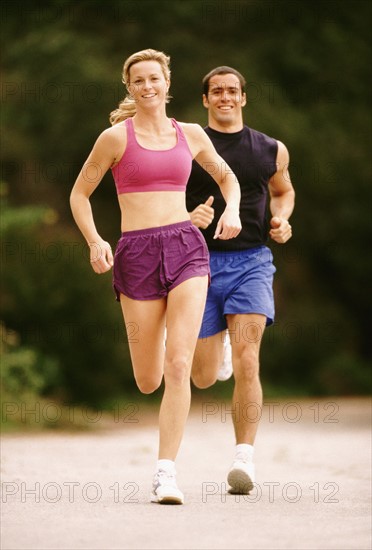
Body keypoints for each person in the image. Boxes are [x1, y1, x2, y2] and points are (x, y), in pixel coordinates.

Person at [69, 50, 242, 505]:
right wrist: (94, 240)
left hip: (186, 246)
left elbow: (228, 180)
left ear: (168, 83)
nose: (148, 87)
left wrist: (235, 210)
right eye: (138, 81)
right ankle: (173, 339)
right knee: (148, 379)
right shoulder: (113, 139)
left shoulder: (191, 133)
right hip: (136, 254)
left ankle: (166, 472)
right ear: (129, 87)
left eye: (155, 79)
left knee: (179, 366)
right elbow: (80, 194)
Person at [186, 66, 295, 494]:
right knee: (203, 377)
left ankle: (244, 460)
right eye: (217, 91)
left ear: (244, 98)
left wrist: (282, 218)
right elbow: (162, 192)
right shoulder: (190, 147)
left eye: (233, 91)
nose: (225, 97)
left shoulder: (269, 149)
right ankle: (219, 351)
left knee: (250, 359)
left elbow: (283, 191)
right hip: (198, 263)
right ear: (205, 100)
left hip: (252, 262)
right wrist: (186, 216)